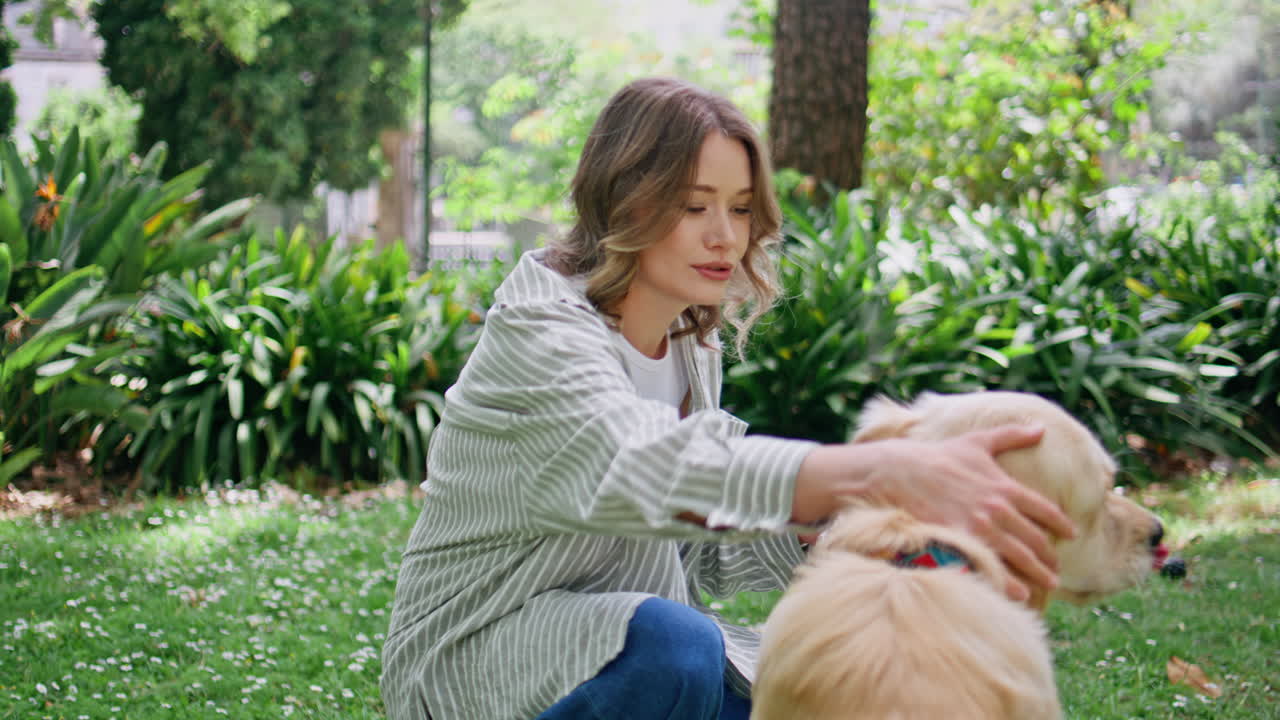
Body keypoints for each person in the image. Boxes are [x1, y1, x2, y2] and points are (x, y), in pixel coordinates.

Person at [380, 77, 1075, 720]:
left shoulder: (688, 346)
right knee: (676, 645)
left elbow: (698, 545)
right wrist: (874, 469)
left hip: (617, 654)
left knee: (819, 693)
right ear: (627, 198)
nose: (725, 236)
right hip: (476, 665)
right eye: (694, 207)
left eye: (740, 209)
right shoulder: (539, 332)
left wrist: (862, 530)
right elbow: (649, 467)